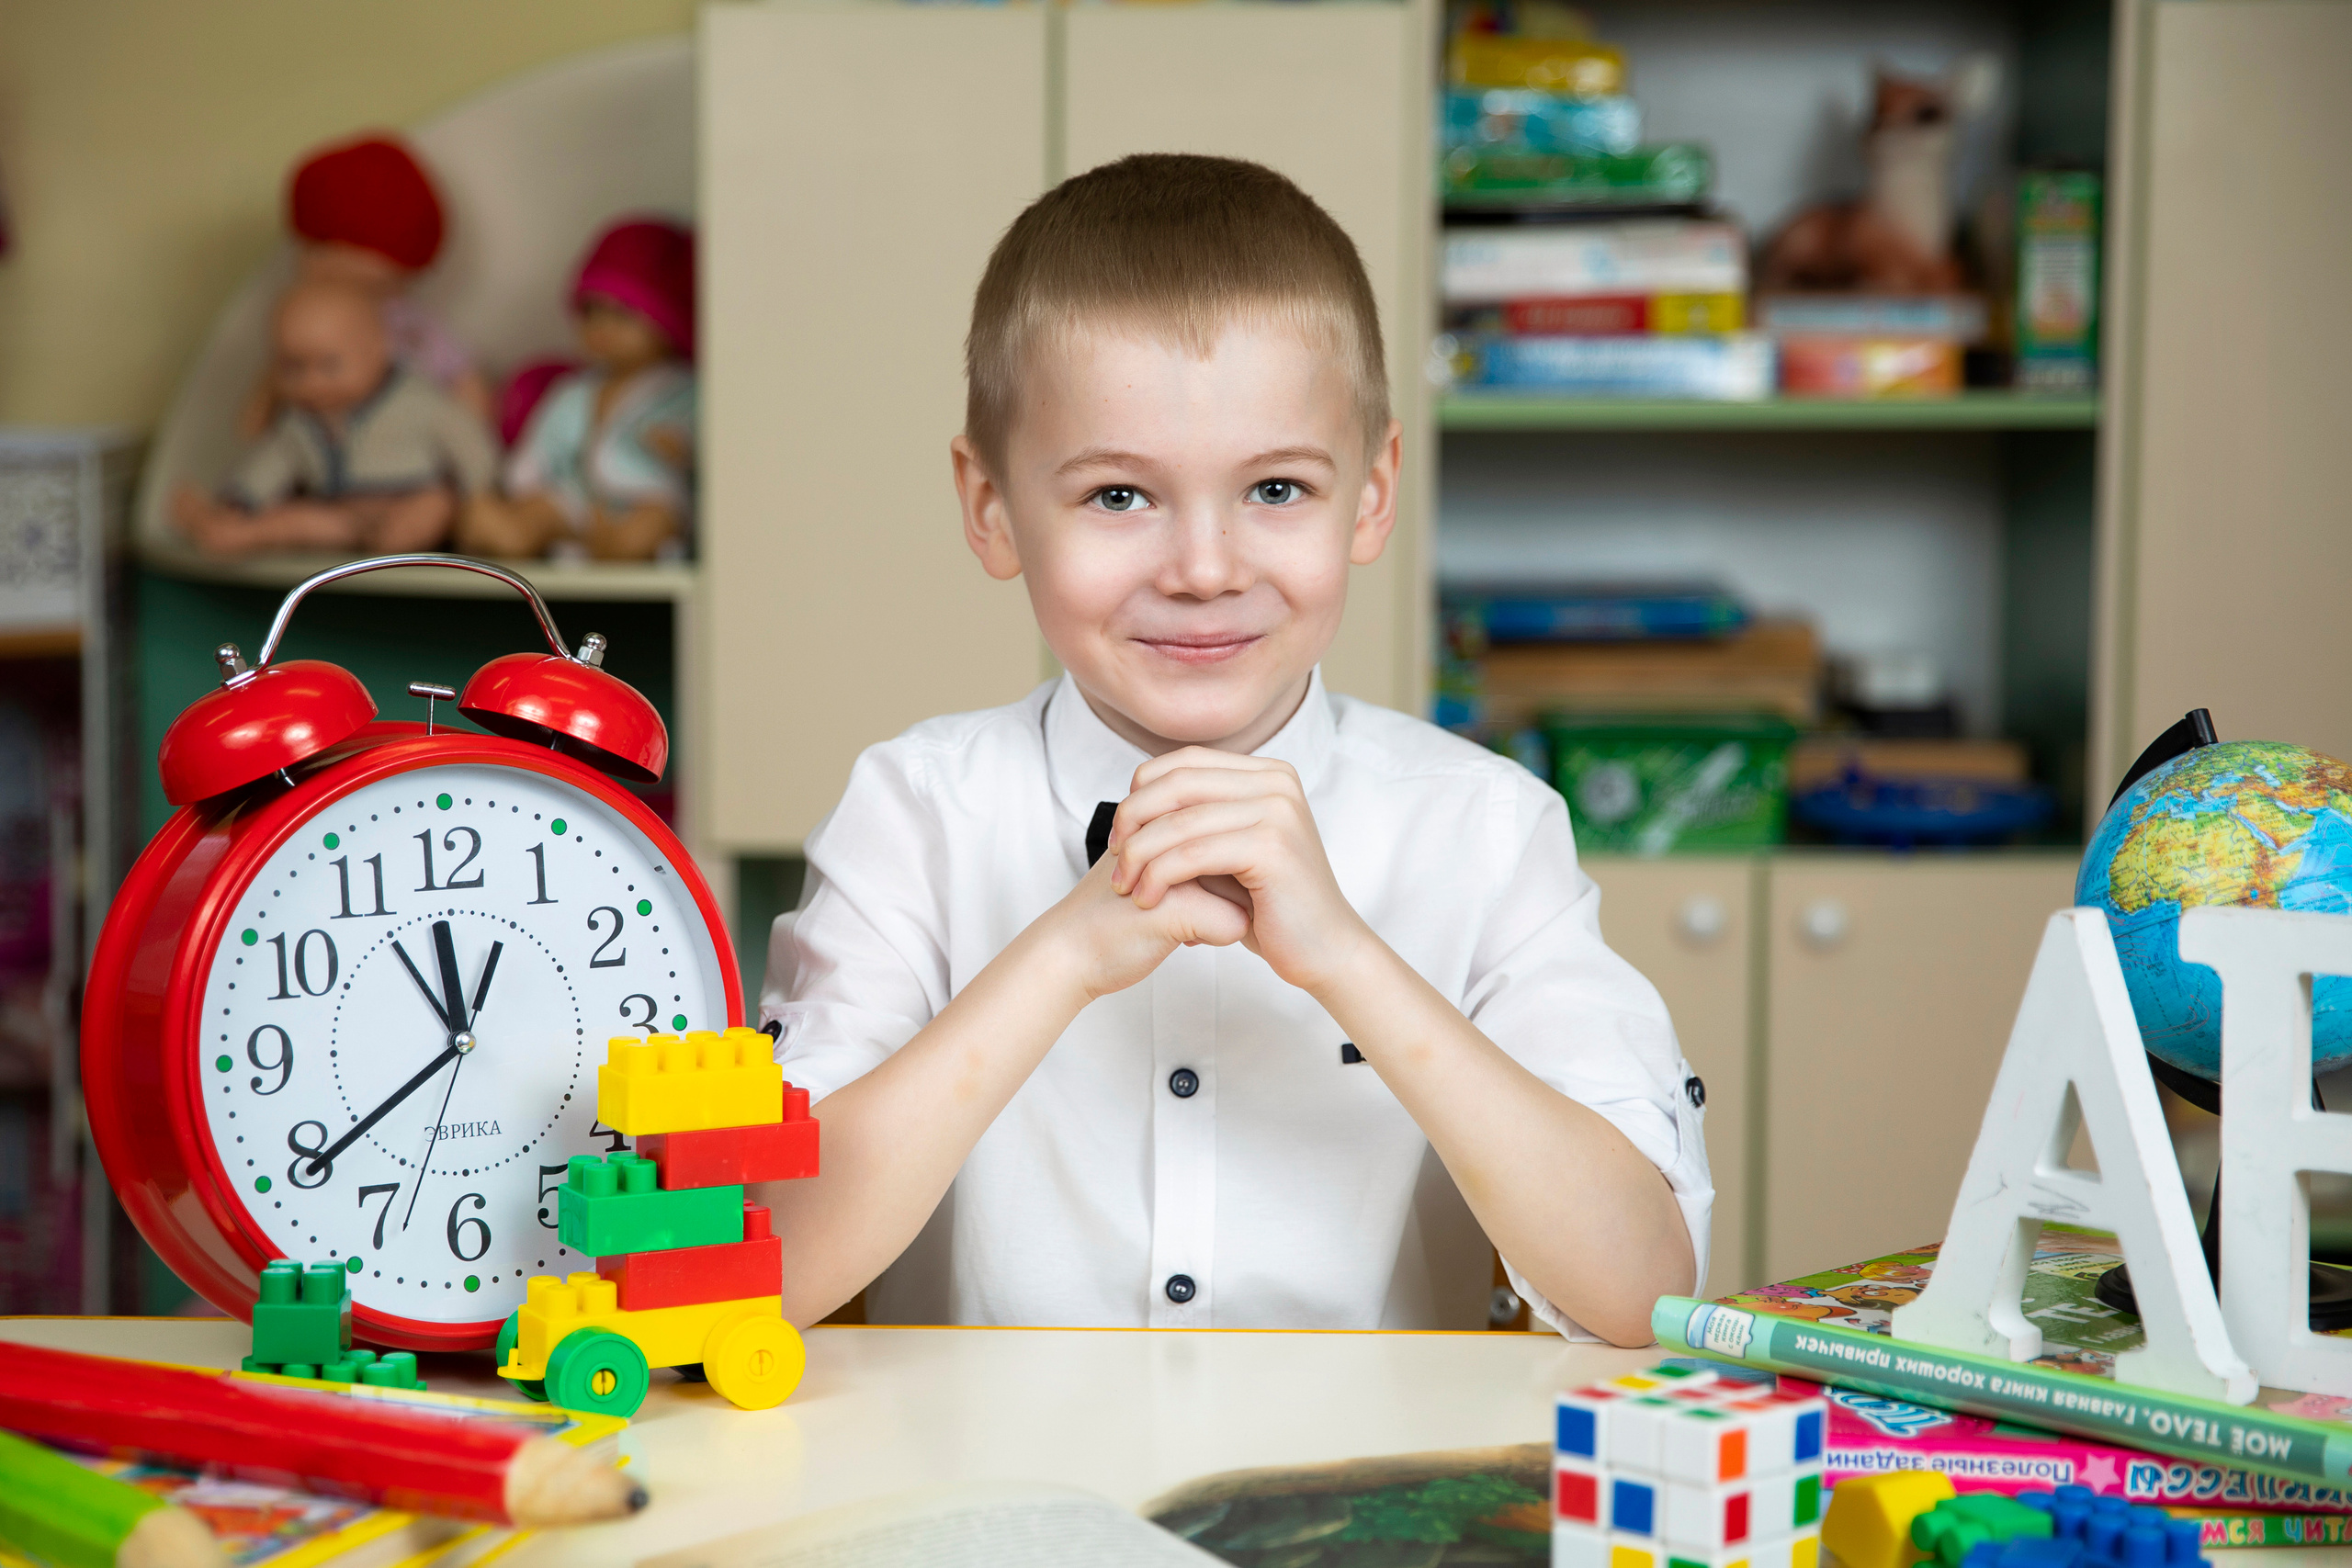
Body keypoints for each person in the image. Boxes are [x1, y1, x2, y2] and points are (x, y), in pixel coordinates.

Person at [753, 154, 1706, 1345]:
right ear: (992, 504)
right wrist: (1066, 951)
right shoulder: (914, 812)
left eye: (1275, 487)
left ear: (1371, 493)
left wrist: (1351, 958)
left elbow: (1644, 1290)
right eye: (1117, 497)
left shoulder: (1485, 829)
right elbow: (757, 1262)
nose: (1204, 567)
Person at [172, 280, 497, 556]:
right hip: (341, 514)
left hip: (408, 498)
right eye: (293, 367)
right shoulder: (301, 422)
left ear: (379, 349)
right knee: (293, 518)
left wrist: (483, 492)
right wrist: (242, 499)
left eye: (329, 365)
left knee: (436, 506)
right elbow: (273, 463)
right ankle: (227, 527)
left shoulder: (419, 401)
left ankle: (393, 541)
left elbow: (466, 441)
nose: (311, 383)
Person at [458, 219, 696, 562]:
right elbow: (542, 449)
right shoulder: (574, 392)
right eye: (591, 313)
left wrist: (681, 444)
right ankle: (514, 532)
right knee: (532, 510)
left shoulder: (685, 391)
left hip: (643, 496)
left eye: (622, 315)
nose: (603, 329)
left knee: (656, 520)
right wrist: (518, 489)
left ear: (667, 319)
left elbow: (706, 438)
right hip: (577, 499)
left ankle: (621, 546)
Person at [239, 134, 493, 436]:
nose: (307, 262)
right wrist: (263, 407)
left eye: (322, 244)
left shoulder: (409, 329)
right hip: (316, 453)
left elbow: (461, 380)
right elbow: (279, 376)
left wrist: (469, 436)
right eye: (309, 246)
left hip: (402, 452)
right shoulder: (304, 314)